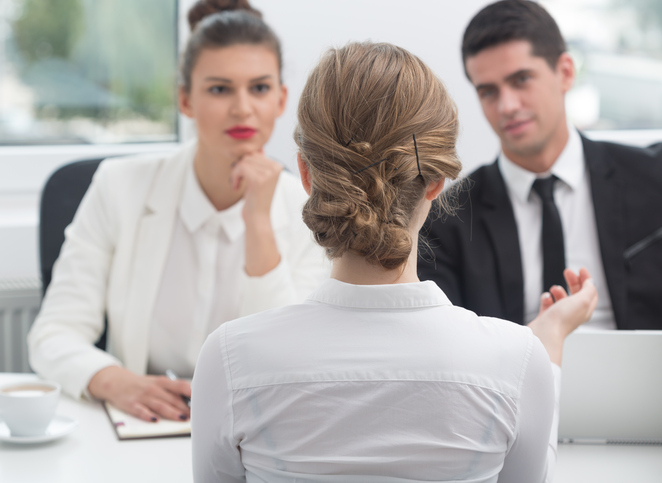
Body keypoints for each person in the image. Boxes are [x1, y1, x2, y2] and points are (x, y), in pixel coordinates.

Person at [191, 41, 598, 482]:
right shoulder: (516, 361)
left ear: (306, 174)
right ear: (436, 180)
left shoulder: (229, 359)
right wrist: (547, 342)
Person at [27, 0, 328, 423]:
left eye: (259, 88)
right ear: (185, 99)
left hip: (251, 431)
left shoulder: (307, 209)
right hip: (141, 426)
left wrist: (258, 225)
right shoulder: (119, 186)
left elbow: (289, 361)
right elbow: (53, 335)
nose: (243, 108)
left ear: (281, 100)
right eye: (220, 89)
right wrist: (116, 381)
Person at [418, 0, 662, 330]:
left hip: (653, 380)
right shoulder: (448, 218)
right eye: (488, 92)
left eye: (521, 79)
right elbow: (441, 347)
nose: (507, 105)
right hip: (515, 377)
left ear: (565, 72)